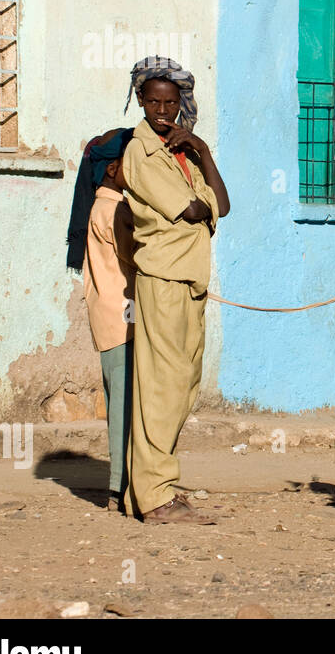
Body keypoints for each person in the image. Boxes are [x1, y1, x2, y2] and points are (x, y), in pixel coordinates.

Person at [119, 56, 230, 524]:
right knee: (161, 389)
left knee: (182, 388)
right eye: (154, 102)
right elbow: (190, 211)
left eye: (172, 103)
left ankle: (146, 490)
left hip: (189, 281)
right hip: (163, 280)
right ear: (141, 102)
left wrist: (203, 150)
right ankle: (155, 496)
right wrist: (201, 206)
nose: (163, 111)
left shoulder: (183, 153)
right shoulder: (140, 152)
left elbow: (220, 204)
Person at [82, 127, 136, 512]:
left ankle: (121, 484)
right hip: (123, 318)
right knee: (124, 406)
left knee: (117, 400)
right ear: (116, 167)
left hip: (106, 316)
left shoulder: (97, 206)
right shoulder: (116, 209)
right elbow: (136, 259)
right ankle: (119, 487)